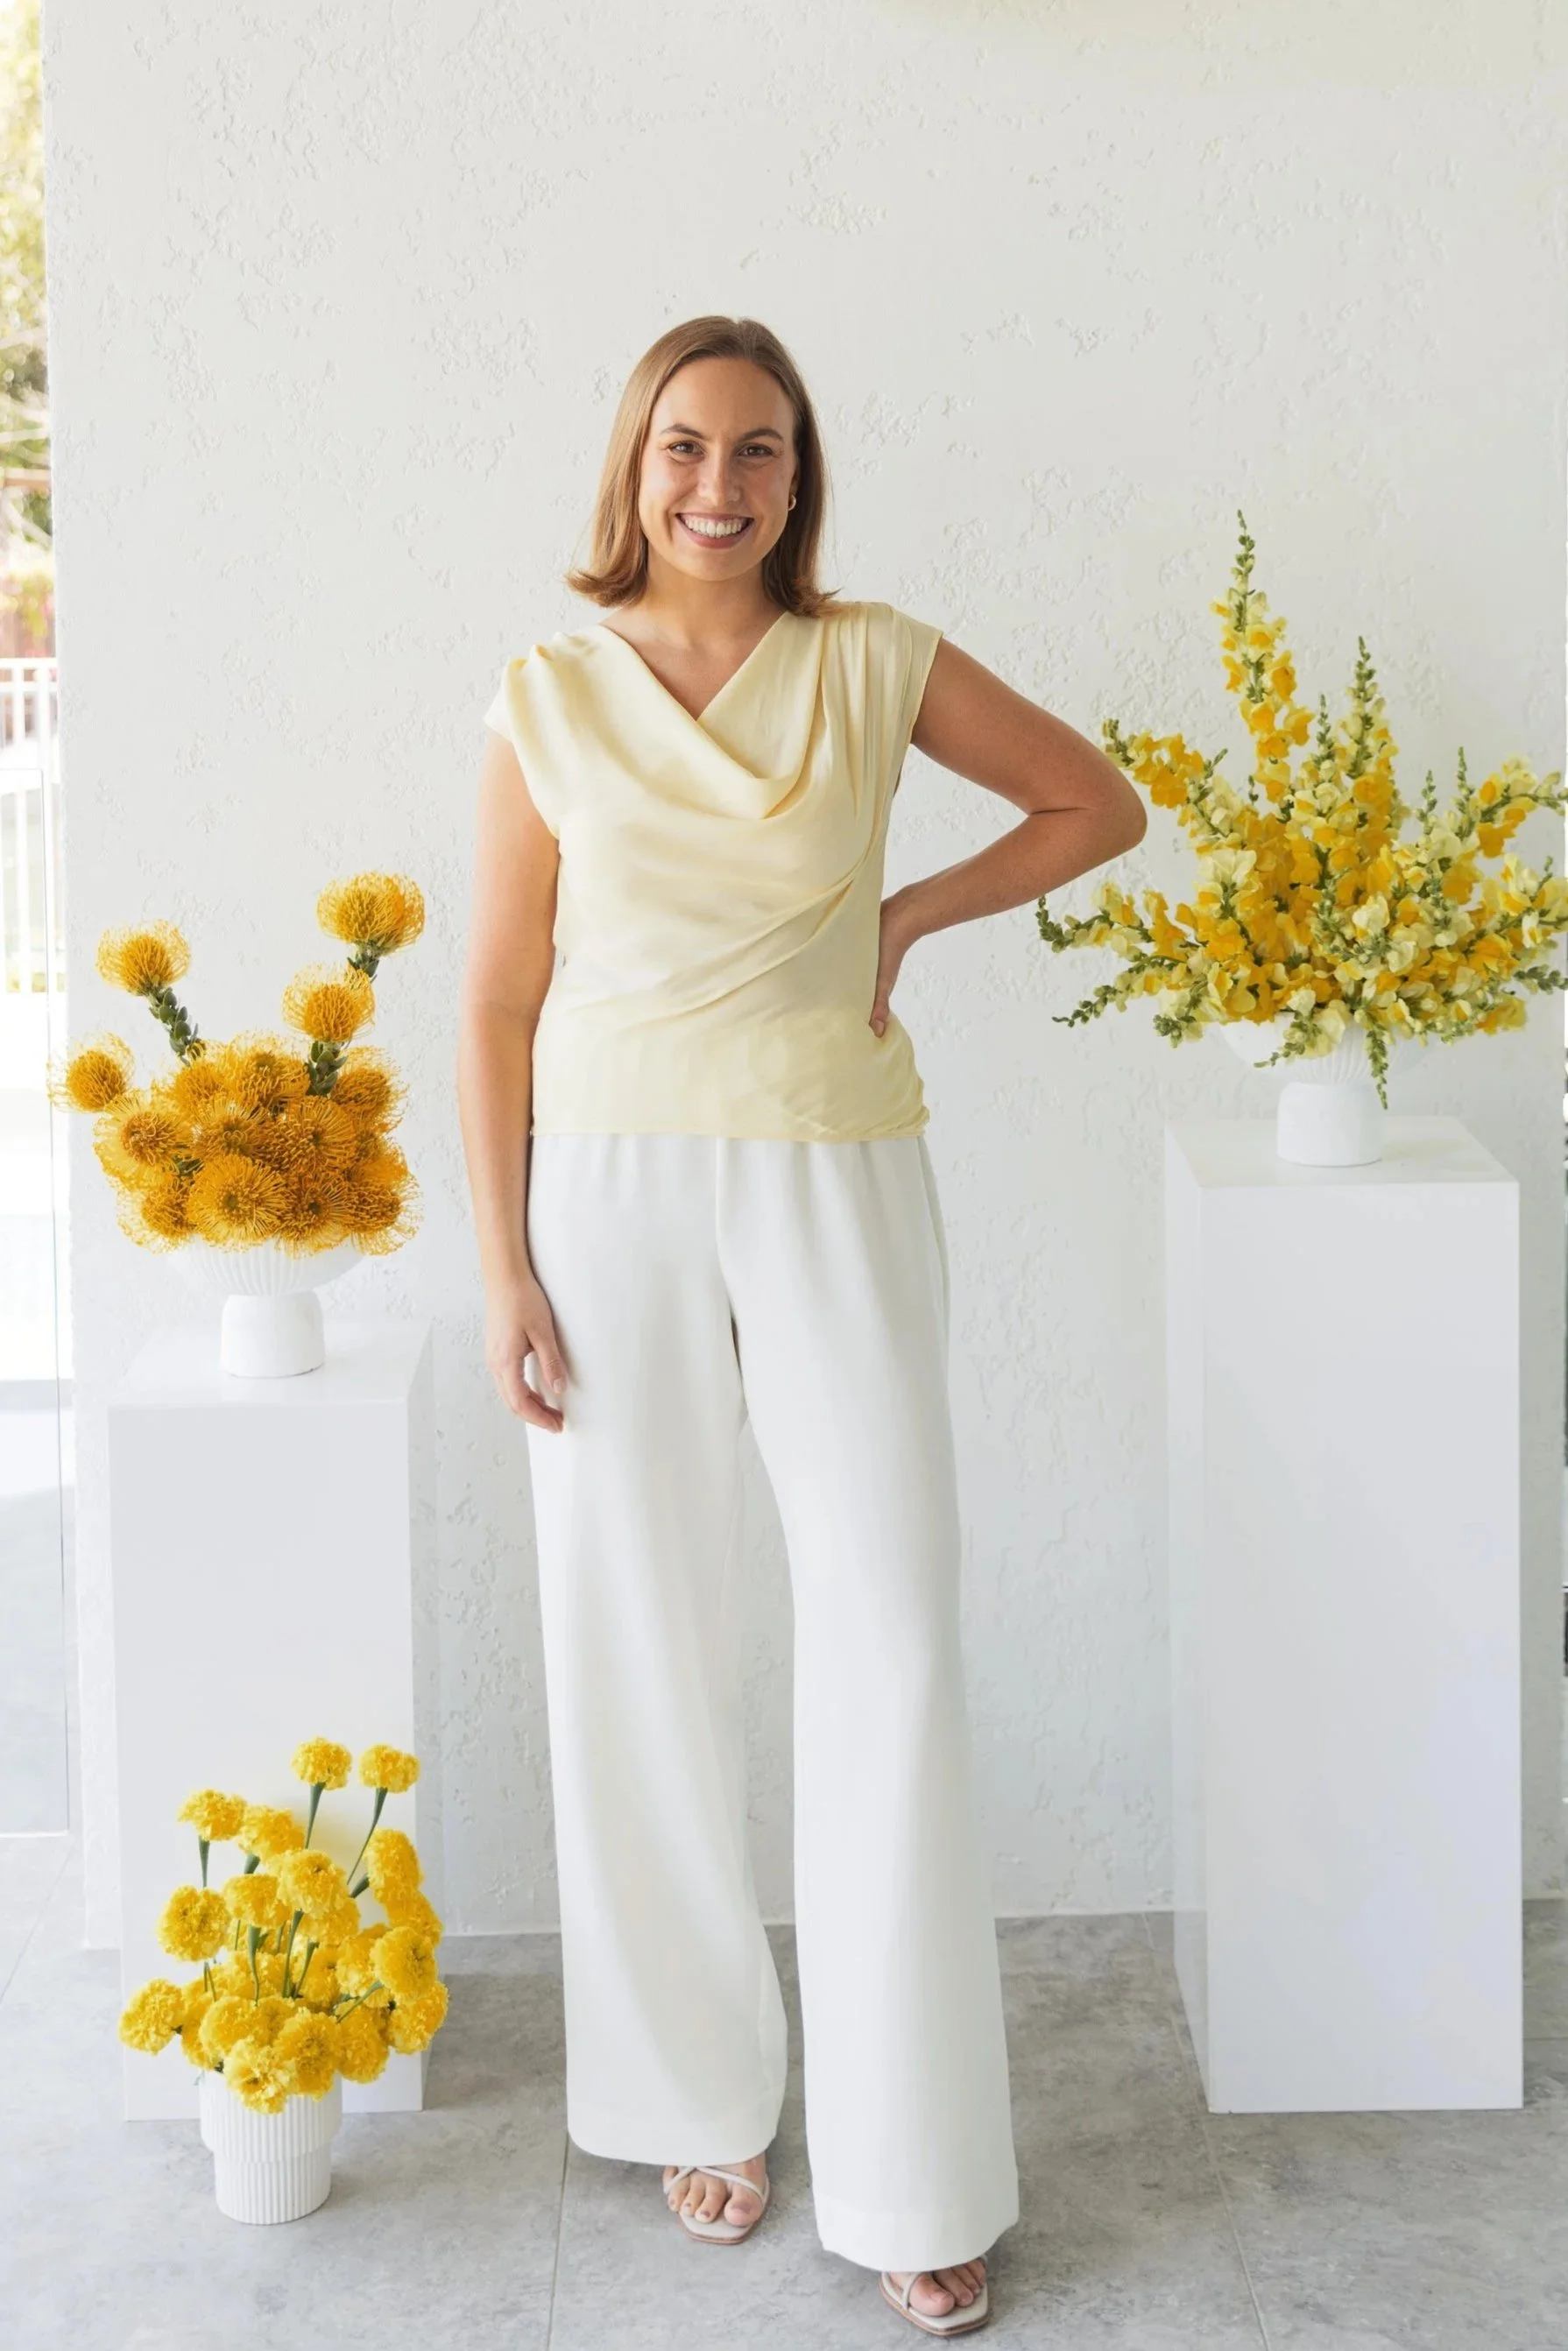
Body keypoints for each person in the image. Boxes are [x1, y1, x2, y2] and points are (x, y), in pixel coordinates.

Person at [457, 314, 1145, 2338]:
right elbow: (492, 997)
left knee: (890, 1630)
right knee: (637, 1632)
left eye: (757, 449)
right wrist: (502, 1266)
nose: (718, 484)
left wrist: (906, 913)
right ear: (633, 465)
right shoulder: (544, 694)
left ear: (797, 475)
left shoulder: (873, 662)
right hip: (604, 1190)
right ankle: (694, 2093)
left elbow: (1093, 803)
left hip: (835, 1168)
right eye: (684, 445)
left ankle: (913, 2163)